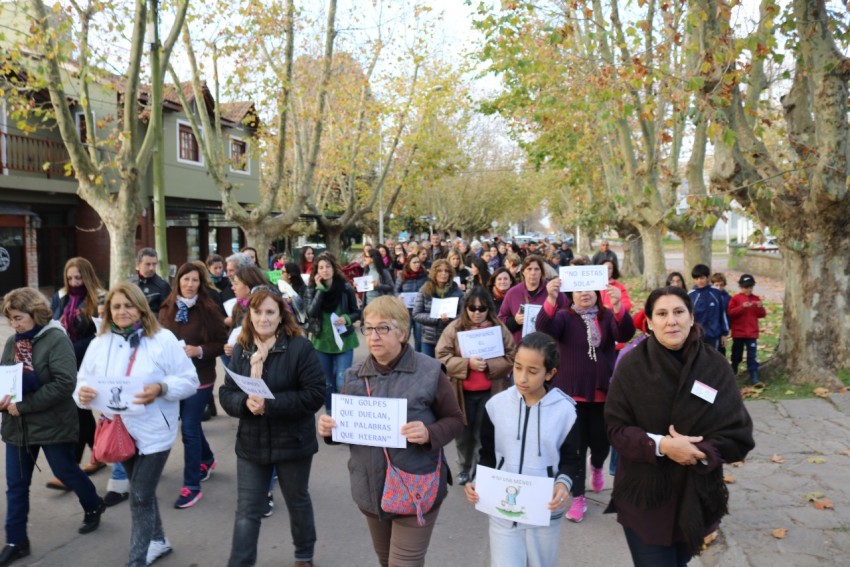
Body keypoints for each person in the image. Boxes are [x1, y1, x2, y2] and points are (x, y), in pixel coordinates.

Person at [605, 285, 755, 565]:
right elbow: (616, 430)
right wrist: (663, 446)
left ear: (690, 317)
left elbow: (739, 434)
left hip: (695, 497)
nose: (671, 320)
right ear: (649, 322)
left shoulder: (715, 366)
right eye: (661, 314)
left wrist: (700, 451)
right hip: (645, 498)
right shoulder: (631, 366)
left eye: (678, 312)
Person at [317, 296, 464, 567]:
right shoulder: (353, 375)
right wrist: (329, 429)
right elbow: (348, 429)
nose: (373, 336)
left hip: (415, 486)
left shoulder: (430, 371)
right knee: (386, 561)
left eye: (382, 328)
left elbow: (455, 419)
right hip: (370, 488)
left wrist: (429, 433)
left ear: (402, 332)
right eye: (369, 328)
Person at [75, 282, 199, 567]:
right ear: (108, 312)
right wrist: (82, 395)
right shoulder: (99, 343)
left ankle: (136, 560)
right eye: (116, 307)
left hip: (155, 431)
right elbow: (83, 383)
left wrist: (161, 388)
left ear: (141, 307)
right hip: (119, 431)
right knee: (142, 491)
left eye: (128, 305)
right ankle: (159, 541)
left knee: (140, 496)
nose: (122, 311)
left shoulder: (163, 339)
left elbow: (189, 380)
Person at [219, 287, 325, 567]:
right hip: (252, 444)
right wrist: (244, 404)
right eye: (258, 312)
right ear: (249, 315)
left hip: (293, 443)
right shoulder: (242, 347)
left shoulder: (300, 347)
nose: (263, 318)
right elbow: (227, 392)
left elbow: (315, 395)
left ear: (281, 316)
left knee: (297, 501)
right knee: (246, 511)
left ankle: (304, 555)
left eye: (270, 312)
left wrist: (270, 404)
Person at [1, 288, 107, 566]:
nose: (14, 325)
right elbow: (5, 379)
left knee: (66, 471)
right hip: (18, 426)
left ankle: (94, 503)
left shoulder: (56, 339)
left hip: (52, 422)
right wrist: (4, 398)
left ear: (35, 313)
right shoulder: (13, 342)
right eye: (10, 319)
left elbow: (64, 384)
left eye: (18, 318)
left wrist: (23, 405)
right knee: (16, 485)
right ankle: (16, 541)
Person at [463, 332, 578, 567]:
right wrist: (478, 481)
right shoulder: (496, 406)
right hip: (502, 511)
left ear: (550, 373)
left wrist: (562, 484)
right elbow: (487, 454)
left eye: (533, 371)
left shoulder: (565, 411)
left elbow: (571, 460)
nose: (522, 378)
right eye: (517, 367)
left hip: (543, 512)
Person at [535, 279, 634, 523]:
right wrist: (550, 298)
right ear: (572, 294)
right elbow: (544, 328)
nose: (584, 294)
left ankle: (598, 465)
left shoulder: (607, 316)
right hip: (571, 396)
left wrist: (619, 305)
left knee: (601, 443)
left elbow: (624, 333)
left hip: (602, 395)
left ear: (597, 292)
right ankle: (578, 498)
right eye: (578, 290)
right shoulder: (563, 317)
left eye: (588, 289)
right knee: (575, 450)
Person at [159, 263, 228, 508]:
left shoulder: (208, 309)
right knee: (190, 425)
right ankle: (207, 459)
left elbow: (223, 343)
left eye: (195, 280)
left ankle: (191, 486)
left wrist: (199, 350)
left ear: (201, 283)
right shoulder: (167, 307)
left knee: (188, 428)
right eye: (186, 279)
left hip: (201, 377)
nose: (190, 285)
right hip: (175, 379)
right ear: (178, 281)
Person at [436, 287, 516, 486]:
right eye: (472, 308)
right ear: (466, 308)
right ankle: (464, 467)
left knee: (484, 435)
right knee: (463, 436)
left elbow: (512, 355)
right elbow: (441, 356)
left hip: (491, 392)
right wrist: (466, 364)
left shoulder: (499, 328)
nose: (477, 313)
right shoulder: (455, 328)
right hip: (461, 394)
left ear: (489, 309)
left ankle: (482, 471)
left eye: (482, 309)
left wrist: (491, 365)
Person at [46, 257, 107, 491]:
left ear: (87, 277)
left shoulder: (100, 297)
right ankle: (99, 454)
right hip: (63, 362)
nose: (73, 282)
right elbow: (52, 324)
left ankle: (70, 470)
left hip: (86, 361)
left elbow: (99, 334)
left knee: (78, 413)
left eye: (78, 278)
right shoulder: (60, 297)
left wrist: (72, 349)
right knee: (80, 412)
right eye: (70, 278)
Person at [303, 252, 361, 413]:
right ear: (316, 271)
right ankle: (331, 413)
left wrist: (347, 319)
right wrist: (320, 290)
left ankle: (343, 413)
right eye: (321, 267)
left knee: (342, 379)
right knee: (327, 382)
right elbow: (311, 312)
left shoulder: (346, 287)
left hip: (344, 341)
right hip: (321, 342)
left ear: (334, 268)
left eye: (328, 266)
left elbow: (357, 312)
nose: (325, 270)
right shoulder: (312, 289)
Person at [498, 255, 567, 345]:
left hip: (548, 347)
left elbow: (567, 315)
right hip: (522, 348)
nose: (533, 273)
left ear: (542, 272)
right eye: (529, 269)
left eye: (536, 269)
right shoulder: (512, 293)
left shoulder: (553, 290)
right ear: (523, 272)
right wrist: (515, 321)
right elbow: (500, 321)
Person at [413, 259, 465, 358]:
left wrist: (450, 319)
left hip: (450, 340)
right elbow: (416, 314)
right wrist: (436, 318)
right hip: (429, 340)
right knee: (429, 371)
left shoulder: (457, 292)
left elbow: (463, 315)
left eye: (446, 271)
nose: (443, 274)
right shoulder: (424, 290)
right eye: (440, 271)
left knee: (447, 371)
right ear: (434, 273)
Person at [727, 274, 767, 385]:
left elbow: (762, 314)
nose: (748, 289)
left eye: (750, 287)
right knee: (736, 354)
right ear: (741, 287)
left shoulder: (756, 298)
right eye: (746, 287)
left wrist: (760, 307)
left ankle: (754, 376)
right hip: (738, 333)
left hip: (751, 333)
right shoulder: (735, 299)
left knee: (752, 356)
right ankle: (733, 372)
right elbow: (731, 313)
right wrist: (741, 307)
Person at [688, 264, 729, 351]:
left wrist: (724, 333)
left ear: (707, 277)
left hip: (714, 335)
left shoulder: (716, 293)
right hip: (697, 336)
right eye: (696, 279)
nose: (699, 281)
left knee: (713, 359)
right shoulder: (691, 295)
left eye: (702, 278)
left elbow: (722, 314)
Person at [396, 254, 428, 352]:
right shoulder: (402, 276)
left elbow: (429, 290)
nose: (417, 265)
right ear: (408, 264)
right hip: (406, 312)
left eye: (418, 262)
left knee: (419, 337)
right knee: (404, 336)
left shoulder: (425, 276)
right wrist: (398, 296)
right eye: (414, 262)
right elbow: (395, 291)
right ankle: (402, 356)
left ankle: (417, 357)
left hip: (419, 311)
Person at [129, 247, 171, 315]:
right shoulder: (129, 284)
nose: (151, 268)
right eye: (147, 264)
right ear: (138, 265)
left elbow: (166, 315)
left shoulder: (163, 286)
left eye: (154, 264)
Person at [711, 273, 732, 356]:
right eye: (716, 285)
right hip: (712, 329)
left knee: (721, 349)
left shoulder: (728, 298)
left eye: (721, 285)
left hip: (722, 328)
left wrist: (726, 331)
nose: (719, 288)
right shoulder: (710, 296)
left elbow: (728, 315)